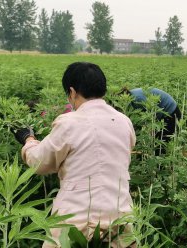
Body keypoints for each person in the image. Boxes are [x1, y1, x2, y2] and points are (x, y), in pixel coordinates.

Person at [13, 62, 136, 247]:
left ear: (72, 92)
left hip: (77, 219)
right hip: (119, 214)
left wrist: (28, 140)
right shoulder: (124, 121)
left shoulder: (70, 122)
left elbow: (40, 162)